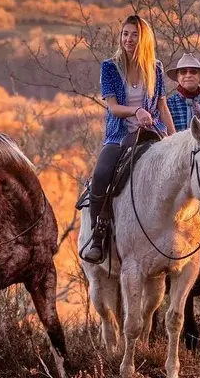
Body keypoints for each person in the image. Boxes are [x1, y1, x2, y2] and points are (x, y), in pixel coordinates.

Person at [82, 15, 175, 263]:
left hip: (151, 134)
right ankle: (97, 236)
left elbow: (163, 107)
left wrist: (175, 139)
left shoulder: (155, 68)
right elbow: (113, 107)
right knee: (101, 174)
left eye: (134, 34)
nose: (128, 39)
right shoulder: (110, 67)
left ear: (143, 38)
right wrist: (136, 111)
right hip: (119, 135)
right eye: (125, 33)